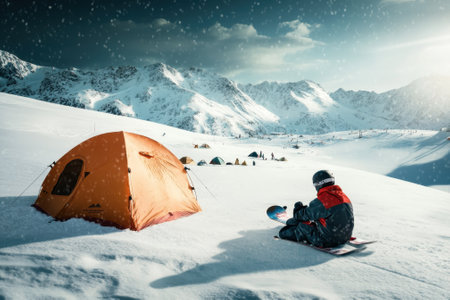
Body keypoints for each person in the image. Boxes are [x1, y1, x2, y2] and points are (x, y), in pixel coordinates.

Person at [279, 170, 354, 248]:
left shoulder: (323, 201)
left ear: (319, 184)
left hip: (327, 241)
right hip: (345, 236)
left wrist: (298, 209)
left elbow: (302, 216)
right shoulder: (344, 197)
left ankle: (294, 228)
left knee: (287, 232)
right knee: (315, 221)